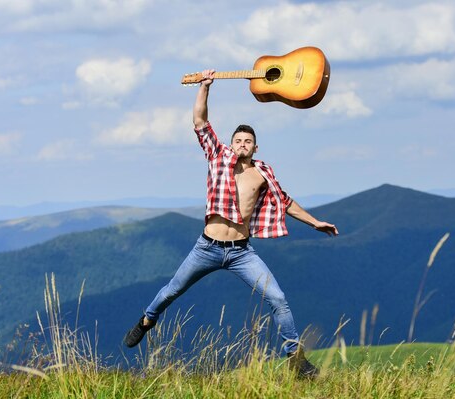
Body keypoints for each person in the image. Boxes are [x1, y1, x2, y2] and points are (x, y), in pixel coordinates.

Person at [124, 69, 339, 378]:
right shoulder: (217, 157)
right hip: (207, 248)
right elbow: (200, 123)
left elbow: (285, 202)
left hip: (241, 252)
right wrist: (205, 88)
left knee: (278, 298)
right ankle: (146, 320)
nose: (241, 144)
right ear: (231, 143)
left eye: (247, 141)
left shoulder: (263, 173)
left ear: (255, 147)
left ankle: (296, 360)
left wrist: (315, 222)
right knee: (172, 291)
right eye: (237, 140)